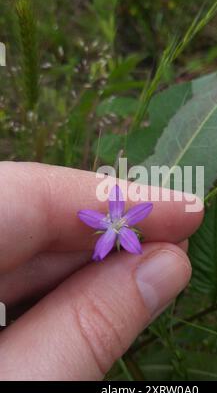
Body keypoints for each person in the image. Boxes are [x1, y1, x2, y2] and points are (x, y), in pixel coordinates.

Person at [0, 162, 203, 380]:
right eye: (114, 222)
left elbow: (139, 219)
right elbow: (94, 222)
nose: (116, 223)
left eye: (118, 222)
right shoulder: (112, 229)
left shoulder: (125, 229)